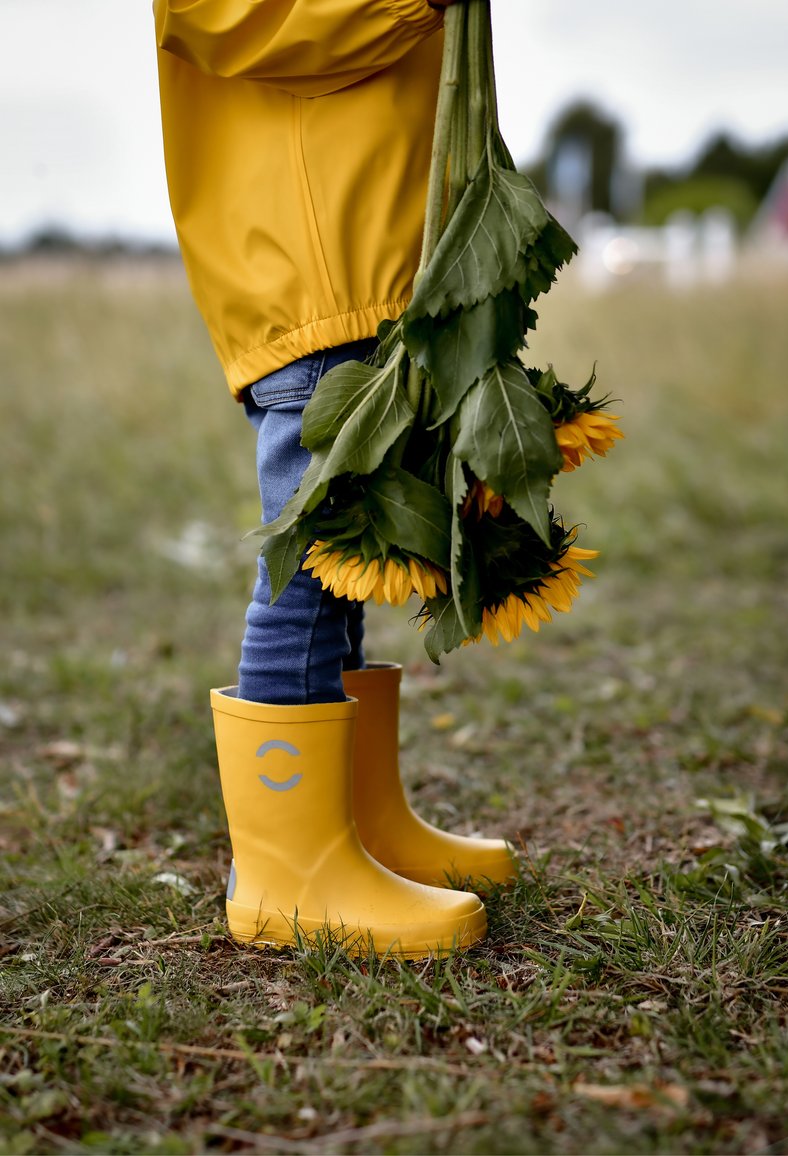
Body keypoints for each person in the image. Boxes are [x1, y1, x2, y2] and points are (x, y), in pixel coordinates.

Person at [154, 0, 515, 959]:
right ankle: (290, 871)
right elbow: (225, 15)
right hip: (314, 265)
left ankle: (357, 826)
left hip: (368, 264)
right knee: (310, 572)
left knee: (350, 561)